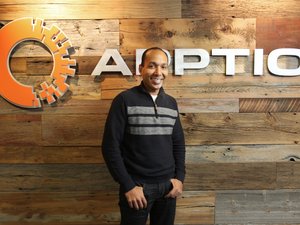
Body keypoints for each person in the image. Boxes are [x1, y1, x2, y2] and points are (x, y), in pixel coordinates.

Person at [102, 47, 186, 225]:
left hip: (167, 188)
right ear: (141, 68)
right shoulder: (124, 100)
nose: (158, 72)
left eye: (163, 67)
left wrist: (179, 179)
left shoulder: (171, 103)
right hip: (137, 188)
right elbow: (110, 147)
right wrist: (128, 185)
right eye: (152, 66)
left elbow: (178, 144)